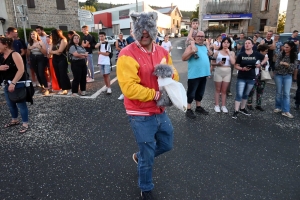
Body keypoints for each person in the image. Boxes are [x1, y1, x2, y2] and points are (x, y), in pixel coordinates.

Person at [117, 11, 179, 199]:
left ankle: (140, 156)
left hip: (160, 110)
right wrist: (156, 94)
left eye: (148, 29)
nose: (144, 33)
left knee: (166, 144)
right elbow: (129, 88)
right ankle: (146, 187)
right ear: (134, 30)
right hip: (140, 113)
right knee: (148, 155)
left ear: (154, 30)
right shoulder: (126, 53)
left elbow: (175, 75)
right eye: (140, 30)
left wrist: (167, 73)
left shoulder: (163, 52)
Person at [232, 39, 268, 119]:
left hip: (251, 77)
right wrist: (242, 68)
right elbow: (236, 66)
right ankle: (236, 110)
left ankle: (242, 108)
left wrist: (260, 64)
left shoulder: (256, 54)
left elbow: (265, 58)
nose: (247, 44)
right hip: (241, 77)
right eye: (245, 43)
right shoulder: (241, 55)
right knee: (239, 94)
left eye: (249, 43)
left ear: (252, 45)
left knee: (246, 94)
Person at [0, 37, 29, 133]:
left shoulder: (15, 54)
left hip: (17, 83)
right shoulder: (1, 55)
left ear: (5, 44)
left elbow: (21, 70)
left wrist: (13, 83)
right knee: (10, 104)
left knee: (21, 104)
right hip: (6, 83)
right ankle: (14, 120)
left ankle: (25, 123)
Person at [182, 31, 212, 119]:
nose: (200, 38)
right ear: (195, 37)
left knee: (200, 92)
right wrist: (192, 52)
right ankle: (188, 109)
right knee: (191, 93)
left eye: (202, 36)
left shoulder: (205, 47)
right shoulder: (191, 46)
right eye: (198, 36)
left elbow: (209, 56)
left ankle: (198, 107)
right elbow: (183, 58)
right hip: (194, 75)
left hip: (204, 74)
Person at [274, 41, 298, 118]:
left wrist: (285, 64)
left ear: (291, 47)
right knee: (278, 92)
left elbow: (293, 67)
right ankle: (278, 107)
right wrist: (288, 65)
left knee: (286, 94)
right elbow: (276, 65)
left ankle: (286, 111)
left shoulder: (294, 55)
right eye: (284, 47)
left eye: (287, 47)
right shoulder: (281, 53)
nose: (285, 48)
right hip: (278, 75)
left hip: (288, 76)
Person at [211, 37, 236, 113]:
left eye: (227, 42)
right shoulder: (217, 52)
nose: (226, 44)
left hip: (227, 71)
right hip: (218, 70)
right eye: (224, 42)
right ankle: (217, 105)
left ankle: (223, 106)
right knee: (218, 90)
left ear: (230, 44)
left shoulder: (232, 52)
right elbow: (212, 63)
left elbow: (233, 62)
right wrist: (218, 64)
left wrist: (229, 53)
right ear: (222, 43)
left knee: (224, 90)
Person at [247, 44, 270, 111]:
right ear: (261, 51)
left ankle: (258, 105)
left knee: (260, 90)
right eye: (265, 51)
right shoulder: (255, 56)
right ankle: (249, 104)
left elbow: (268, 65)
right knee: (252, 90)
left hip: (262, 76)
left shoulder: (266, 56)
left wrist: (264, 68)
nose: (266, 52)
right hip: (255, 75)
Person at [49, 29, 71, 95]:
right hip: (55, 59)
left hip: (62, 58)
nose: (51, 36)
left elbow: (60, 51)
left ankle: (68, 88)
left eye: (51, 34)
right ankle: (62, 88)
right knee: (57, 74)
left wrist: (54, 52)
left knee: (63, 74)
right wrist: (55, 51)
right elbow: (50, 51)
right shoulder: (53, 41)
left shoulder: (63, 40)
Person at [27, 31, 48, 95]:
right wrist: (29, 49)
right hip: (33, 58)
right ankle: (42, 86)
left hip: (40, 58)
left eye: (34, 34)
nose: (32, 35)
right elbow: (28, 54)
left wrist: (39, 47)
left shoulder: (40, 42)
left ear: (36, 35)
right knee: (37, 73)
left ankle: (46, 87)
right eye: (31, 34)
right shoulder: (29, 43)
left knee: (41, 73)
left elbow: (45, 53)